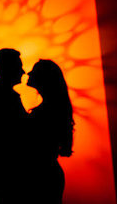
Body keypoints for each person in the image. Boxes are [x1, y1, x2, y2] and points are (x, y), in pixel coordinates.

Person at [0, 48, 30, 204]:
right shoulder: (2, 98)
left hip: (4, 178)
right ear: (8, 69)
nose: (23, 72)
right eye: (19, 66)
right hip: (10, 179)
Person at [24, 59, 74, 204]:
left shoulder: (46, 112)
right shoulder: (52, 109)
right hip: (49, 174)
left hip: (43, 176)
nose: (28, 73)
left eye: (34, 70)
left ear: (44, 78)